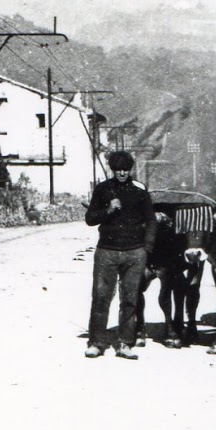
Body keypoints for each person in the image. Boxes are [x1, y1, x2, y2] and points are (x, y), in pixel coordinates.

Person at [83, 150, 155, 359]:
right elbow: (90, 219)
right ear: (112, 170)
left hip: (135, 253)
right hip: (107, 252)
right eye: (118, 169)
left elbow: (151, 221)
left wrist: (146, 249)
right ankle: (96, 342)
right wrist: (108, 210)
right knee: (101, 297)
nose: (122, 173)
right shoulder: (103, 190)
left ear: (130, 169)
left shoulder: (140, 191)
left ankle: (125, 344)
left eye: (125, 169)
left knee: (130, 299)